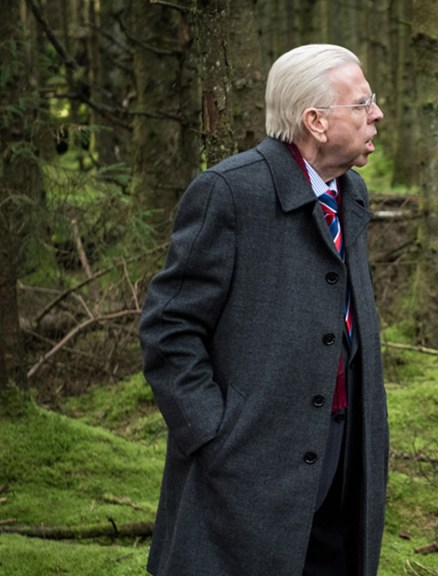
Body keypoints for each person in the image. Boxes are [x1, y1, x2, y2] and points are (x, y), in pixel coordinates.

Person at [139, 44, 387, 576]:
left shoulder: (350, 192)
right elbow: (168, 327)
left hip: (345, 459)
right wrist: (213, 434)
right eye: (362, 103)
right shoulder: (230, 192)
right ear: (316, 121)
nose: (377, 114)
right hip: (246, 470)